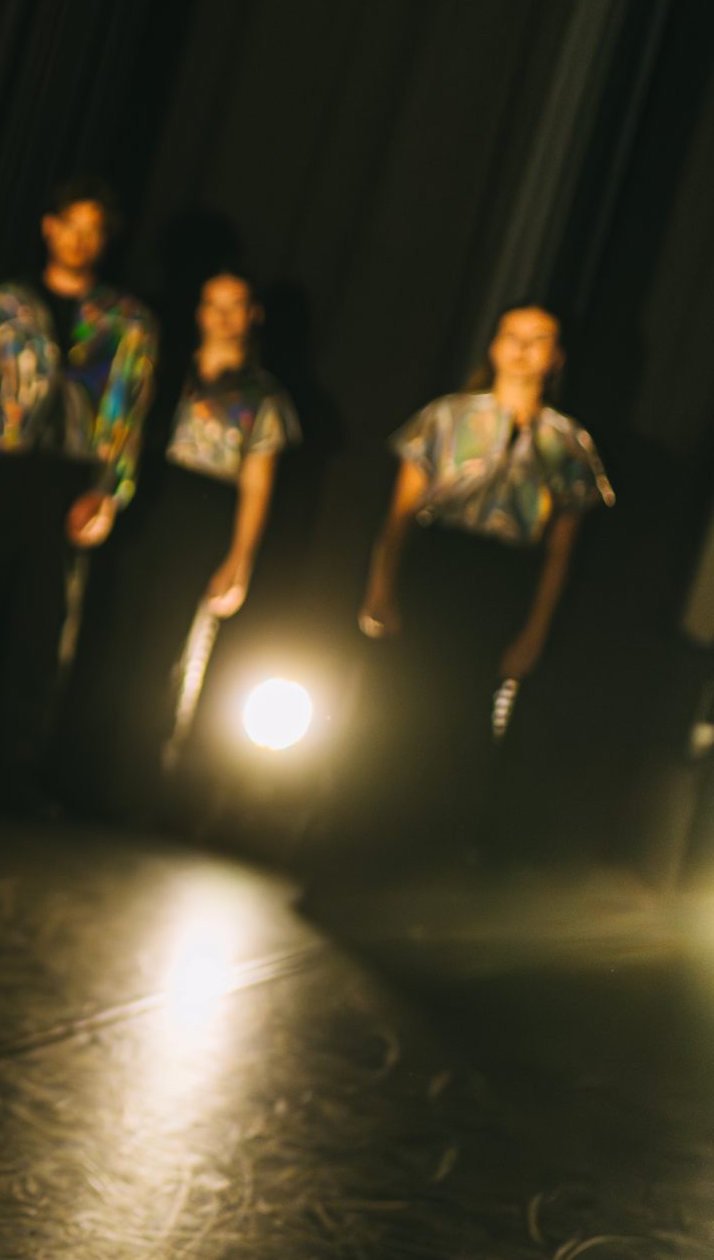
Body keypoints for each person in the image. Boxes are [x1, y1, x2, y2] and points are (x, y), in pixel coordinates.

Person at [0, 177, 158, 802]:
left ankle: (14, 771)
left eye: (93, 229)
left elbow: (131, 415)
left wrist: (109, 492)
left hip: (72, 481)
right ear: (49, 226)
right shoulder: (3, 306)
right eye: (70, 224)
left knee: (43, 631)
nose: (80, 240)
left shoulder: (126, 321)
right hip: (2, 472)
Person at [355, 302, 613, 860]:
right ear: (494, 345)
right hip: (437, 565)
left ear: (556, 357)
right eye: (512, 335)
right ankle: (361, 831)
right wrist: (381, 586)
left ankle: (427, 848)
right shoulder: (446, 417)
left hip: (501, 579)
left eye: (538, 339)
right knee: (397, 698)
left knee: (464, 712)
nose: (522, 348)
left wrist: (534, 631)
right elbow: (399, 514)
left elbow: (560, 552)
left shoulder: (568, 442)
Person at [90, 271, 298, 806]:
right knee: (111, 629)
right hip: (146, 502)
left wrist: (240, 558)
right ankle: (79, 768)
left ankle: (129, 787)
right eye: (213, 304)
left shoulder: (263, 396)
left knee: (166, 647)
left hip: (204, 515)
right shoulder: (162, 369)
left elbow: (257, 484)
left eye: (236, 304)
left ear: (253, 314)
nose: (223, 316)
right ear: (199, 311)